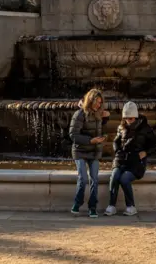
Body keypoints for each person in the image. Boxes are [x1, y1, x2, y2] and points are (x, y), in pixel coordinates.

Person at [104, 101, 156, 217]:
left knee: (124, 179)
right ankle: (111, 206)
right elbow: (116, 141)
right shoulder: (121, 127)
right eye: (126, 118)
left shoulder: (145, 128)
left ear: (135, 116)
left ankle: (131, 206)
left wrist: (145, 152)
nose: (128, 120)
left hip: (136, 163)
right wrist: (117, 150)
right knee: (114, 176)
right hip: (120, 160)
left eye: (130, 118)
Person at [68, 88, 109, 218]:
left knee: (94, 179)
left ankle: (92, 207)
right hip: (80, 151)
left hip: (94, 151)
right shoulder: (79, 114)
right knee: (83, 178)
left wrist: (106, 119)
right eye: (96, 102)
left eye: (100, 102)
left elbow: (98, 128)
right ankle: (77, 203)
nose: (98, 105)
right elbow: (73, 135)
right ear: (90, 100)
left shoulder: (99, 114)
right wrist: (91, 140)